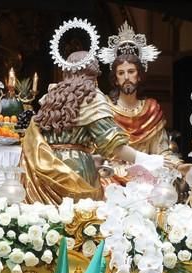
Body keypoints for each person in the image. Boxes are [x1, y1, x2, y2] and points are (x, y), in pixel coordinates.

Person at [21, 20, 164, 204]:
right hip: (76, 172)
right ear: (93, 74)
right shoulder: (90, 96)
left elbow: (57, 140)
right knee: (80, 223)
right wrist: (145, 159)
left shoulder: (50, 97)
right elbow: (111, 142)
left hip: (45, 170)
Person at [100, 22, 176, 161]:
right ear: (116, 79)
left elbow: (162, 152)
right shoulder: (105, 107)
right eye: (121, 73)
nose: (127, 77)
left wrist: (177, 165)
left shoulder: (150, 109)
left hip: (144, 174)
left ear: (139, 76)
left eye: (131, 71)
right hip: (111, 174)